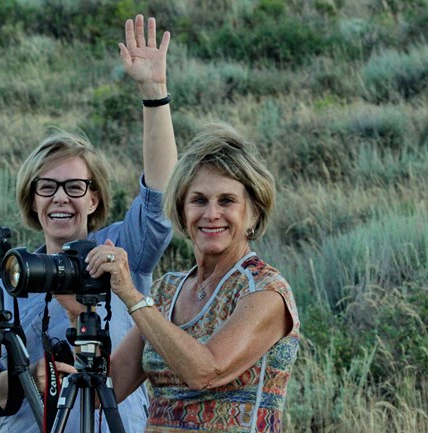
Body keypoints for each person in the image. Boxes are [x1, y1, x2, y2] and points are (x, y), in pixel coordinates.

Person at [0, 15, 177, 433]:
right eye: (48, 187)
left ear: (94, 196)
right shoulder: (14, 276)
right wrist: (29, 379)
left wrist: (154, 94)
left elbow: (161, 200)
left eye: (75, 186)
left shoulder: (118, 248)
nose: (61, 197)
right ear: (32, 197)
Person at [81, 121, 300, 432]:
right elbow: (108, 388)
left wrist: (130, 294)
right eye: (198, 200)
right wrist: (77, 309)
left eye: (227, 201)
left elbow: (205, 371)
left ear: (253, 211)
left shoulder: (265, 291)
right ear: (182, 211)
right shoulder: (168, 289)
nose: (211, 214)